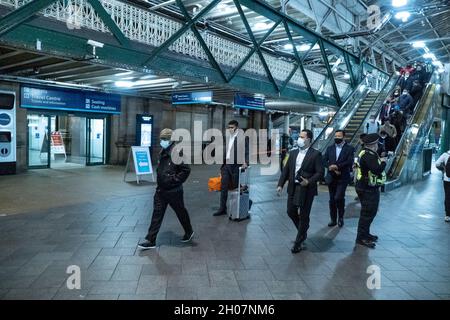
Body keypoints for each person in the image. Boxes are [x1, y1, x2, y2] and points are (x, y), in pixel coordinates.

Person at [138, 129, 194, 249]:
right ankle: (151, 240)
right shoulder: (163, 151)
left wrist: (174, 180)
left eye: (164, 139)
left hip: (174, 191)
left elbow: (186, 170)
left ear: (170, 139)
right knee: (157, 214)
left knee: (180, 212)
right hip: (161, 190)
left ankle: (189, 231)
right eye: (161, 139)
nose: (162, 141)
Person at [277, 129, 324, 253]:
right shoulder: (293, 153)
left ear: (308, 139)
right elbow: (286, 170)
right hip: (293, 187)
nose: (299, 139)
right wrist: (280, 185)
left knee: (304, 215)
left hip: (307, 189)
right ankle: (303, 231)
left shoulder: (316, 154)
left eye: (302, 137)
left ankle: (298, 242)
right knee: (290, 211)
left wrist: (309, 181)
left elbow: (320, 172)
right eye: (299, 136)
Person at [354, 133, 387, 249]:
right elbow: (377, 170)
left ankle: (366, 234)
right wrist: (383, 161)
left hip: (365, 186)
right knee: (368, 213)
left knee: (369, 212)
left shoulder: (365, 152)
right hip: (367, 188)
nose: (378, 145)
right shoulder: (369, 156)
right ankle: (361, 238)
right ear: (373, 145)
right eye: (377, 143)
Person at [213, 120, 249, 216]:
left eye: (232, 127)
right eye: (229, 127)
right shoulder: (228, 137)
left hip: (236, 165)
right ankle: (222, 208)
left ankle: (246, 203)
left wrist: (245, 162)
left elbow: (246, 151)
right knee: (223, 187)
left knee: (236, 187)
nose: (230, 129)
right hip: (226, 165)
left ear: (237, 127)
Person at [323, 130, 355, 228]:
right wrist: (330, 166)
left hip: (343, 177)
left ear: (343, 137)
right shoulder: (330, 148)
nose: (337, 137)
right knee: (332, 200)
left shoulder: (349, 148)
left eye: (339, 136)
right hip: (331, 177)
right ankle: (333, 219)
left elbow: (349, 161)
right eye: (335, 136)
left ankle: (340, 217)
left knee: (339, 198)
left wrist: (336, 167)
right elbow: (323, 160)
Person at [435, 150, 450, 222]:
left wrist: (443, 170)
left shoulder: (445, 154)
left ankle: (447, 215)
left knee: (447, 196)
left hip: (447, 179)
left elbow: (437, 164)